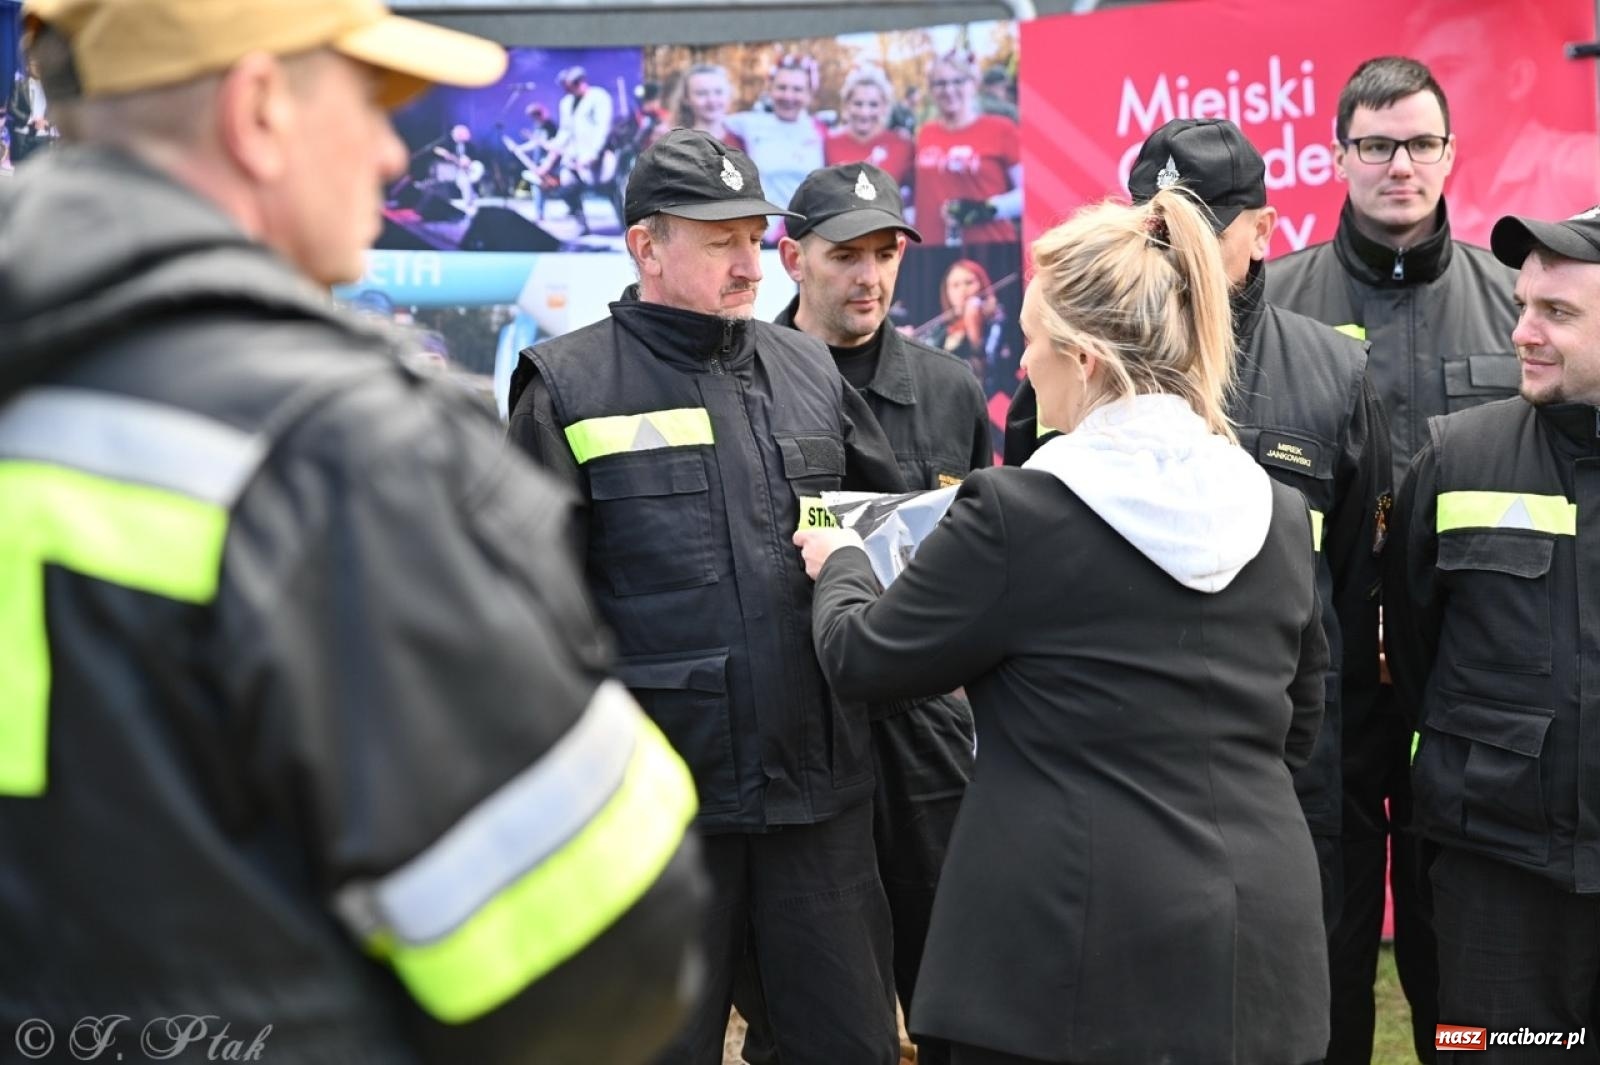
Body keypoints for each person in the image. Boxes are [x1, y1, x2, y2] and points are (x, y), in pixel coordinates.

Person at [0, 1, 706, 1063]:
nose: (389, 152)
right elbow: (601, 966)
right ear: (258, 111)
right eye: (370, 102)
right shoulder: (341, 450)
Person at [794, 187, 1331, 1065]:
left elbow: (863, 658)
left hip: (1060, 961)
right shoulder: (1277, 510)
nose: (1023, 364)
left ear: (1083, 359)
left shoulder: (1019, 512)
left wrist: (844, 560)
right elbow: (1298, 726)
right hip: (1258, 951)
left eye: (1034, 342)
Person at [505, 129, 906, 1065]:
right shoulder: (568, 386)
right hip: (660, 824)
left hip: (818, 808)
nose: (749, 264)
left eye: (755, 238)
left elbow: (882, 545)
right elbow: (524, 620)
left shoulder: (809, 370)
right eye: (721, 239)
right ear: (645, 246)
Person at [1008, 117, 1392, 954]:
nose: (1173, 247)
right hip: (1112, 764)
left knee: (1305, 999)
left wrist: (1346, 773)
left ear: (1263, 230)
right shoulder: (1071, 365)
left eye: (1201, 225)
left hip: (1287, 766)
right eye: (1155, 225)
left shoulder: (1333, 375)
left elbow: (1359, 595)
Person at [1267, 55, 1520, 1065]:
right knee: (1320, 941)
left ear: (1451, 154)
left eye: (1420, 143)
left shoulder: (1515, 305)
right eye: (1376, 145)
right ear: (1337, 158)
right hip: (1315, 680)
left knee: (1456, 946)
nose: (1399, 165)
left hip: (1466, 681)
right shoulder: (1273, 306)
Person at [773, 161, 989, 1065]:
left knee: (956, 999)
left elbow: (986, 557)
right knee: (820, 1013)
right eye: (845, 255)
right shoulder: (746, 382)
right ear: (793, 258)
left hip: (926, 733)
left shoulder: (951, 389)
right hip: (800, 727)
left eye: (886, 254)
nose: (870, 277)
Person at [1385, 206, 1600, 1060]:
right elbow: (1414, 651)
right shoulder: (1456, 457)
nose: (1523, 333)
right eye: (1522, 306)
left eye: (1558, 312)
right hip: (1497, 885)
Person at [913, 49, 1021, 246]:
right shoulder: (925, 133)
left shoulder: (1001, 129)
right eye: (940, 83)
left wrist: (986, 209)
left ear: (973, 84)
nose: (949, 90)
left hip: (990, 246)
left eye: (958, 81)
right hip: (931, 247)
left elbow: (1028, 194)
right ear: (931, 89)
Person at [725, 53, 826, 245]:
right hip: (763, 236)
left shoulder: (819, 130)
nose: (788, 96)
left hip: (806, 234)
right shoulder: (749, 124)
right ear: (770, 88)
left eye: (797, 89)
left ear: (809, 94)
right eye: (782, 87)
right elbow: (709, 124)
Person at [537, 65, 619, 235]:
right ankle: (581, 224)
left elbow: (603, 127)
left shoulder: (599, 96)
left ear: (579, 82)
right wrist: (551, 156)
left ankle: (627, 223)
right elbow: (565, 132)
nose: (566, 90)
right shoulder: (566, 103)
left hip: (598, 156)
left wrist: (594, 153)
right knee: (567, 187)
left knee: (611, 190)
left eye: (568, 86)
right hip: (574, 157)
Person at [824, 66, 914, 193]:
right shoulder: (829, 143)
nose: (865, 112)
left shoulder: (902, 145)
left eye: (873, 105)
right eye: (858, 103)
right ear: (846, 105)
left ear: (884, 106)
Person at [927, 257, 1011, 392]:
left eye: (969, 282)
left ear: (982, 284)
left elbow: (990, 366)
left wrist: (974, 326)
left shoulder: (995, 319)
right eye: (955, 285)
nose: (963, 290)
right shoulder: (942, 327)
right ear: (947, 292)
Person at [675, 62, 744, 151]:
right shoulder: (678, 145)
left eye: (718, 92)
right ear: (686, 98)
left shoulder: (742, 141)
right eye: (701, 93)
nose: (712, 100)